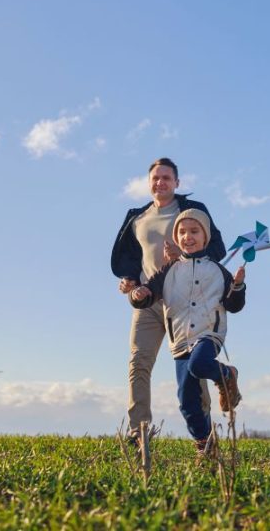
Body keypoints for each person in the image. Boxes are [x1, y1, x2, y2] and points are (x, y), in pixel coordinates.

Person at [111, 158, 226, 443]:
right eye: (156, 178)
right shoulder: (137, 218)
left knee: (192, 370)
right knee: (138, 362)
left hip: (185, 303)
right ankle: (138, 432)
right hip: (150, 300)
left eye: (166, 178)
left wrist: (184, 257)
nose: (160, 182)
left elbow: (216, 249)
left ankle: (204, 435)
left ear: (177, 182)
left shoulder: (192, 211)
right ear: (149, 182)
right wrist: (130, 281)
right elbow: (132, 260)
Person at [129, 209, 246, 453]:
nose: (187, 237)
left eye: (194, 231)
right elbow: (149, 294)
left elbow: (234, 306)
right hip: (181, 339)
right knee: (187, 401)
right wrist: (138, 294)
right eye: (182, 232)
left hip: (208, 333)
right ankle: (205, 445)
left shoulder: (218, 270)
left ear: (205, 237)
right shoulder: (168, 270)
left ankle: (226, 374)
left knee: (199, 364)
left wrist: (237, 286)